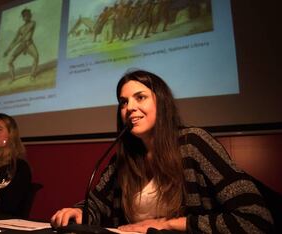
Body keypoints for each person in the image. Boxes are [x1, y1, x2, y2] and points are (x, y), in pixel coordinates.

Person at [50, 70, 274, 233]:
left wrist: (167, 225)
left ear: (162, 102)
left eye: (141, 97)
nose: (129, 108)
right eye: (123, 102)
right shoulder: (124, 156)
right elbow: (97, 204)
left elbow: (255, 218)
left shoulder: (193, 142)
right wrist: (79, 212)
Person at [3, 8, 39, 83]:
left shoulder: (33, 23)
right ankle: (12, 78)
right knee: (10, 62)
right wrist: (7, 50)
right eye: (26, 15)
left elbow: (25, 34)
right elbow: (14, 39)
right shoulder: (20, 28)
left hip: (29, 44)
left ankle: (32, 75)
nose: (28, 16)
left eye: (29, 15)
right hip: (22, 45)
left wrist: (11, 48)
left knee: (36, 56)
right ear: (23, 17)